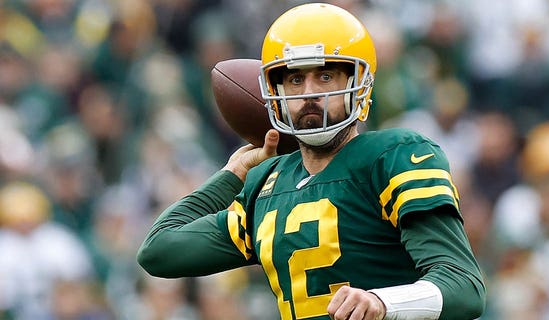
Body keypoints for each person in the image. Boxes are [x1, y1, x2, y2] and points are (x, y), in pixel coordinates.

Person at [137, 3, 486, 320]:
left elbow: (464, 287)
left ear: (358, 82)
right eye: (294, 79)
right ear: (273, 92)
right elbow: (158, 250)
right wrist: (234, 174)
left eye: (324, 76)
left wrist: (382, 303)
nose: (309, 94)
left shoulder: (392, 155)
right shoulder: (266, 184)